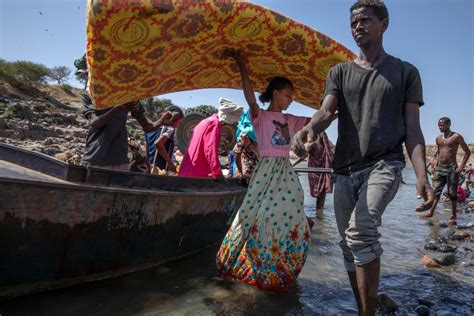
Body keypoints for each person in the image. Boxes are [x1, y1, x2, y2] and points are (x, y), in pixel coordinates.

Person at [292, 1, 433, 314]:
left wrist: (422, 175)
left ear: (384, 24)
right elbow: (327, 112)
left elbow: (413, 130)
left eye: (365, 20)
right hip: (344, 169)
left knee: (361, 231)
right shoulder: (340, 73)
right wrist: (309, 130)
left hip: (385, 164)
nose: (358, 27)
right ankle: (364, 309)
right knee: (347, 247)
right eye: (353, 22)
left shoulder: (405, 72)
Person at [216, 48, 311, 291]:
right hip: (267, 168)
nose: (291, 100)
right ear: (276, 93)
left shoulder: (291, 120)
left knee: (294, 209)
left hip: (285, 169)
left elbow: (319, 118)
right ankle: (249, 262)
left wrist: (339, 101)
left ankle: (279, 262)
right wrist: (241, 63)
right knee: (256, 214)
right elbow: (249, 97)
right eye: (288, 95)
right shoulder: (261, 117)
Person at [81, 91, 172, 171]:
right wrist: (120, 107)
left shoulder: (128, 95)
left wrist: (162, 121)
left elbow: (147, 127)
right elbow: (95, 123)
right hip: (97, 156)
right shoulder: (91, 93)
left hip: (120, 158)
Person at [178, 98, 243, 181]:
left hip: (187, 169)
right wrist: (218, 173)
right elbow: (210, 150)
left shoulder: (204, 121)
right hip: (197, 174)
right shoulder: (214, 124)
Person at [421, 117, 471, 223]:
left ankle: (453, 216)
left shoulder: (456, 136)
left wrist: (461, 166)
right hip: (440, 168)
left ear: (448, 125)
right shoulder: (438, 138)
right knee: (436, 192)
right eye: (439, 125)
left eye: (442, 125)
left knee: (452, 193)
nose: (440, 126)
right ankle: (431, 212)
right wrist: (435, 164)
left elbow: (467, 152)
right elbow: (438, 152)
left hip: (452, 168)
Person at [145, 106, 184, 174]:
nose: (178, 126)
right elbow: (158, 144)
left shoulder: (150, 128)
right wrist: (170, 163)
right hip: (160, 170)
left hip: (150, 168)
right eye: (179, 123)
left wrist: (147, 165)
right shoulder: (169, 129)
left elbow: (146, 151)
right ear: (173, 119)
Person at [307, 131, 334, 217]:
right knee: (322, 194)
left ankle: (319, 215)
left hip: (317, 173)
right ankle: (320, 215)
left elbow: (304, 153)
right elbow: (331, 157)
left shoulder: (314, 145)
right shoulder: (324, 148)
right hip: (323, 173)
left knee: (320, 195)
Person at [233, 110, 259, 186]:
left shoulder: (259, 133)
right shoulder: (245, 134)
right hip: (246, 174)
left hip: (256, 173)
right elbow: (237, 153)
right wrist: (240, 172)